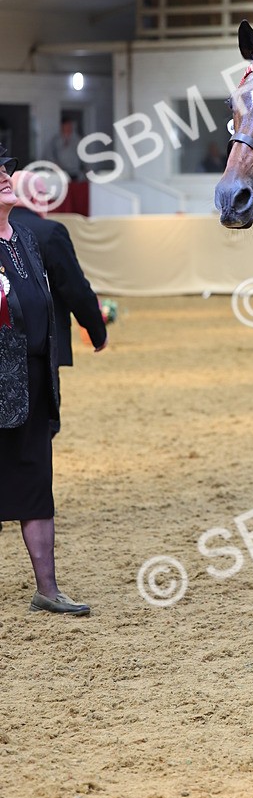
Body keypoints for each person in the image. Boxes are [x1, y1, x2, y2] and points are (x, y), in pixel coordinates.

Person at [0, 147, 90, 615]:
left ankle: (48, 590)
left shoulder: (25, 239)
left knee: (37, 486)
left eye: (4, 169)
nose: (5, 176)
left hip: (32, 382)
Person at [10, 172, 107, 365]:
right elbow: (74, 288)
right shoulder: (50, 232)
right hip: (40, 344)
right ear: (35, 197)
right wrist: (97, 331)